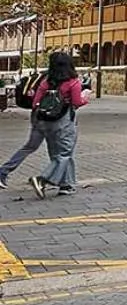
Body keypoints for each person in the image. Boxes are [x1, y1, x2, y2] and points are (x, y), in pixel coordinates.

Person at [19, 53, 88, 198]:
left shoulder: (46, 82)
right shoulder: (73, 82)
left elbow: (35, 102)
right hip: (64, 121)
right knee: (65, 153)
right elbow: (76, 103)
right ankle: (42, 179)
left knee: (57, 153)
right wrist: (85, 98)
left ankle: (66, 185)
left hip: (45, 121)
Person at [0, 68, 48, 187]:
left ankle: (4, 171)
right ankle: (52, 179)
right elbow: (76, 101)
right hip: (54, 119)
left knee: (30, 147)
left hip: (37, 115)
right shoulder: (62, 79)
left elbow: (35, 100)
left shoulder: (43, 77)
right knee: (61, 153)